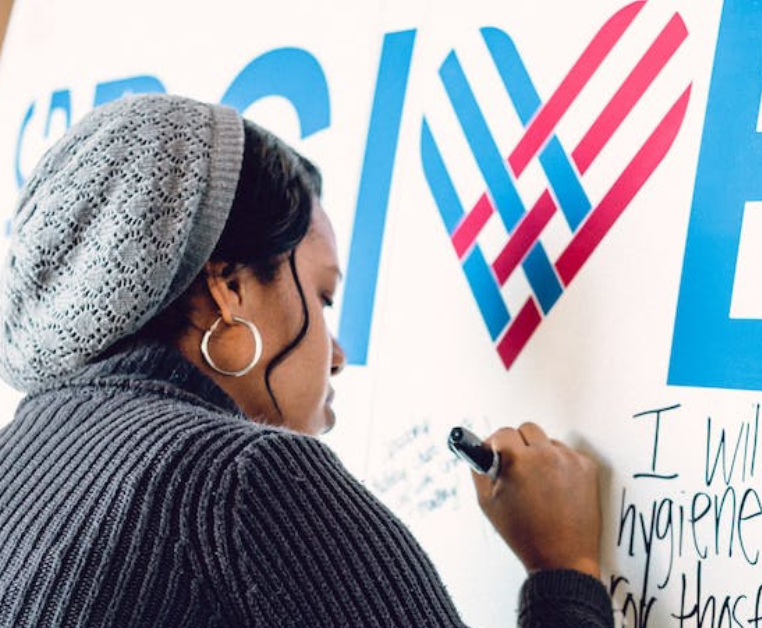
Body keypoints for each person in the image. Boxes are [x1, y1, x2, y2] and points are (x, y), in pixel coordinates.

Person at [0, 94, 612, 628]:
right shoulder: (244, 481)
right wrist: (566, 568)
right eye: (321, 297)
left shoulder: (20, 455)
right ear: (228, 290)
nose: (338, 356)